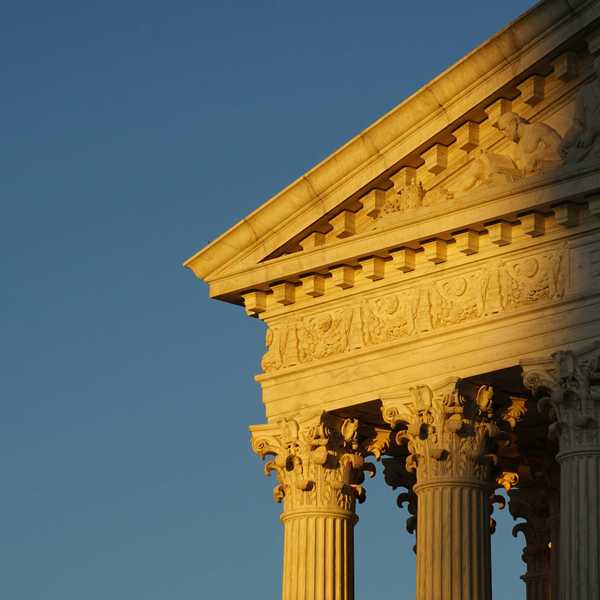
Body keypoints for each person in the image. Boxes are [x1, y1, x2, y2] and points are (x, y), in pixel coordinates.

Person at [496, 111, 563, 175]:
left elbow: (560, 147)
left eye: (504, 129)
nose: (504, 134)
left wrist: (537, 157)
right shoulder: (517, 148)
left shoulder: (537, 128)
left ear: (514, 122)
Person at [561, 56, 600, 163]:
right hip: (588, 142)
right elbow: (577, 125)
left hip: (593, 138)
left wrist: (593, 132)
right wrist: (566, 141)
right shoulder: (584, 92)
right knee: (571, 158)